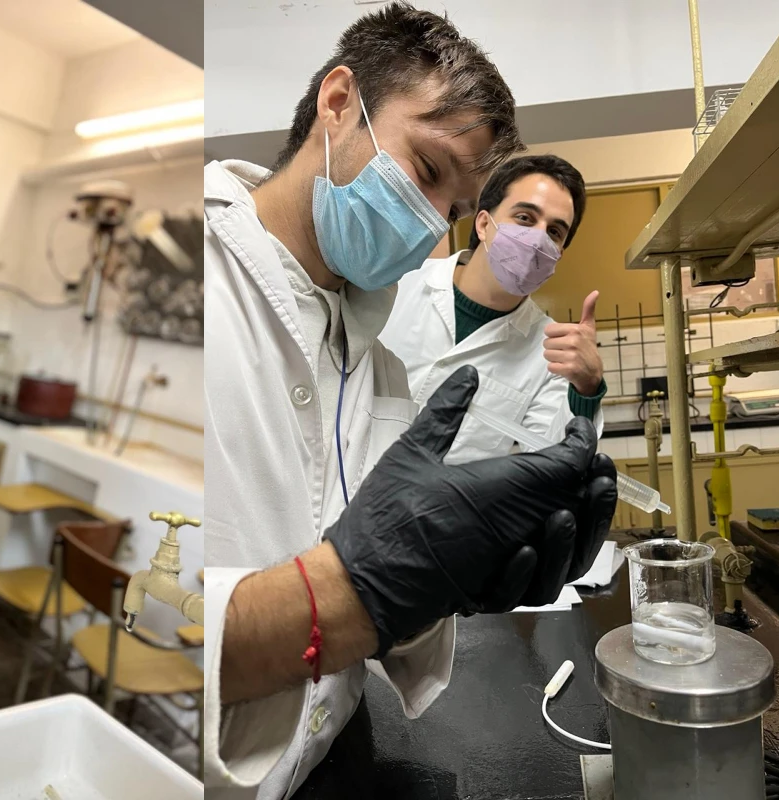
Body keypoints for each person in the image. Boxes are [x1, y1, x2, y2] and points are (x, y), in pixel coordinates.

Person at [202, 4, 617, 798]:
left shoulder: (373, 349)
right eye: (427, 172)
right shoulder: (207, 278)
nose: (430, 221)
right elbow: (153, 608)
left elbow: (376, 550)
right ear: (337, 102)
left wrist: (448, 574)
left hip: (332, 750)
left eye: (451, 206)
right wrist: (364, 583)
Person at [379, 154, 606, 465]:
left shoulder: (549, 352)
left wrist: (587, 387)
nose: (538, 238)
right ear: (484, 223)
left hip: (441, 509)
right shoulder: (396, 284)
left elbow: (551, 462)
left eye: (554, 232)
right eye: (525, 218)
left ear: (559, 253)